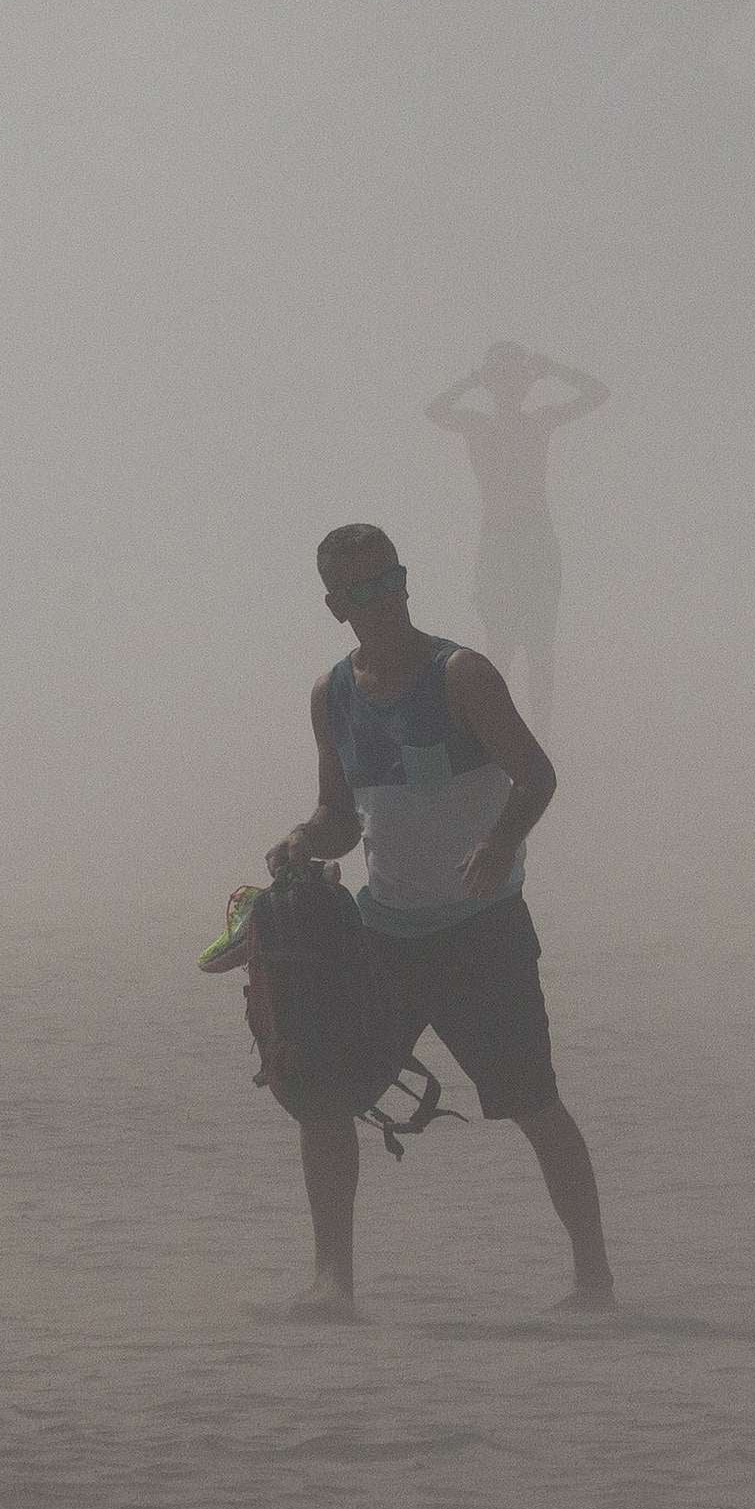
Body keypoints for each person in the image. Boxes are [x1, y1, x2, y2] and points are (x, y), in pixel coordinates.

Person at [268, 523, 614, 1316]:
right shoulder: (335, 695)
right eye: (359, 591)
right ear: (335, 606)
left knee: (532, 1100)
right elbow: (338, 815)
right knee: (322, 1096)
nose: (380, 600)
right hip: (384, 933)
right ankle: (333, 1281)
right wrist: (300, 839)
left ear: (405, 581)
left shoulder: (462, 675)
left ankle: (593, 1278)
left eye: (388, 580)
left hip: (481, 931)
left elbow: (538, 774)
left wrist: (499, 844)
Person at [424, 343, 610, 724]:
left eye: (516, 376)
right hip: (500, 542)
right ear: (491, 381)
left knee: (540, 646)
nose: (510, 384)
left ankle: (540, 735)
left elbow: (598, 393)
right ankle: (496, 733)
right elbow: (434, 411)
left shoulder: (535, 421)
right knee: (502, 646)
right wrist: (475, 379)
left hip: (534, 539)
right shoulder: (480, 424)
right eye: (501, 376)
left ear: (526, 381)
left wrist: (551, 366)